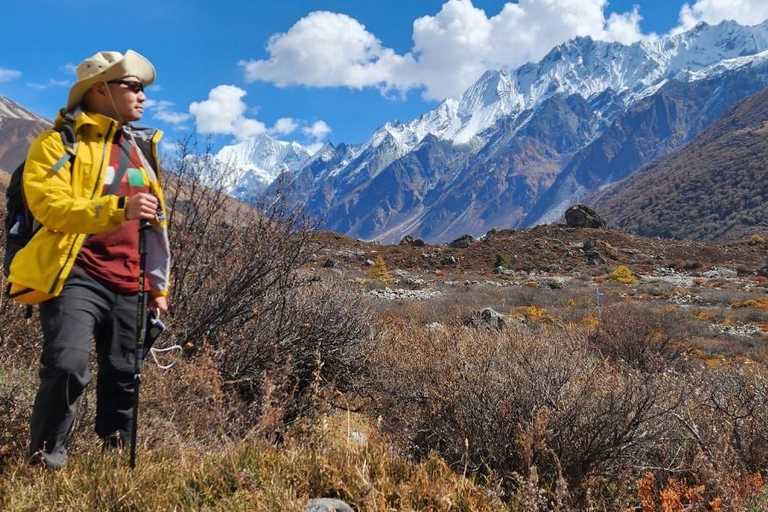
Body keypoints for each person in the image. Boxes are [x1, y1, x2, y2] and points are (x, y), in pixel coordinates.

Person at [6, 50, 171, 468]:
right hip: (75, 272)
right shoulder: (58, 144)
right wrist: (116, 210)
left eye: (143, 89)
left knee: (123, 374)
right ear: (101, 89)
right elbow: (49, 207)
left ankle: (115, 465)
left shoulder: (139, 150)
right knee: (67, 362)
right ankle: (45, 460)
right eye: (133, 87)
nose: (143, 97)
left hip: (130, 281)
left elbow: (156, 223)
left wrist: (157, 285)